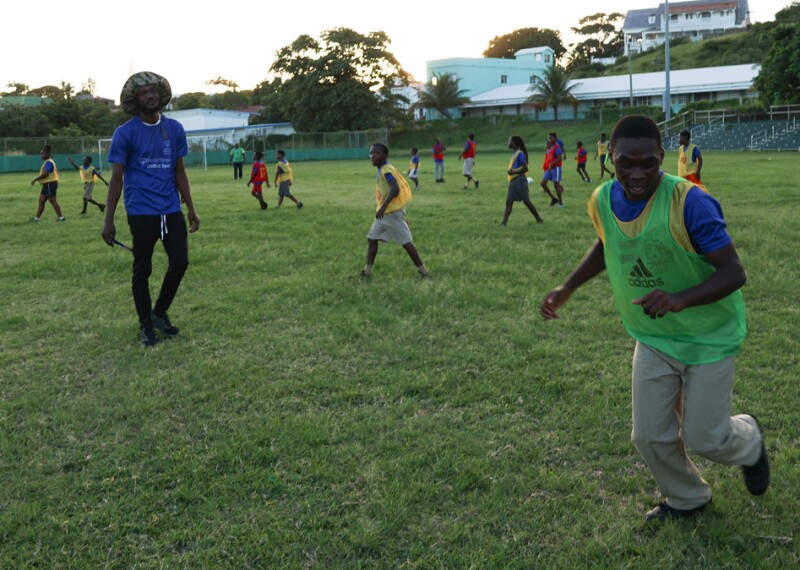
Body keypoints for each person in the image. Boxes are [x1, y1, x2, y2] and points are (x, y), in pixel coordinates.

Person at [540, 115, 769, 521]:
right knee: (648, 435)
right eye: (626, 162)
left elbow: (735, 272)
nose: (637, 173)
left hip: (707, 337)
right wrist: (568, 287)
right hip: (654, 336)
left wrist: (680, 298)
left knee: (706, 438)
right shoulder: (602, 198)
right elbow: (606, 244)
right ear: (611, 157)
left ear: (662, 156)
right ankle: (687, 498)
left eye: (648, 163)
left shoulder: (689, 201)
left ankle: (748, 440)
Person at [102, 71, 200, 347]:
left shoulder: (175, 129)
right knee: (142, 270)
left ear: (160, 95)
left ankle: (159, 313)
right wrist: (108, 221)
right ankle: (145, 325)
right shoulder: (125, 133)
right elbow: (117, 179)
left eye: (153, 91)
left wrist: (191, 208)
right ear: (136, 99)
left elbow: (180, 172)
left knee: (180, 261)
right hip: (141, 212)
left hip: (170, 209)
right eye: (143, 92)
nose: (150, 95)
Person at [361, 143, 431, 279]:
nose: (372, 156)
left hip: (389, 213)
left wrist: (383, 207)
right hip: (386, 214)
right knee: (372, 238)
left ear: (385, 155)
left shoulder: (386, 169)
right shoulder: (385, 168)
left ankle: (424, 272)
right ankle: (367, 272)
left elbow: (395, 189)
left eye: (376, 153)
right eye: (371, 153)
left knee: (406, 242)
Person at [501, 135, 543, 226]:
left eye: (509, 141)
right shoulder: (514, 153)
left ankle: (539, 219)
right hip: (513, 181)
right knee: (509, 201)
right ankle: (503, 223)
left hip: (520, 180)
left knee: (526, 201)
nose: (508, 143)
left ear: (514, 143)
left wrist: (513, 171)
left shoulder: (520, 154)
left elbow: (525, 168)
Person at [30, 144, 65, 222]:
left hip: (50, 183)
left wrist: (35, 179)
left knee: (53, 201)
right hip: (47, 184)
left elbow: (46, 173)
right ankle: (36, 219)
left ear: (47, 154)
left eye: (42, 153)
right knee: (41, 200)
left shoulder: (49, 162)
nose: (41, 155)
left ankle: (61, 218)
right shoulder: (48, 162)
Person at [541, 132, 565, 207]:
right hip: (549, 169)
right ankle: (553, 198)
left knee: (556, 185)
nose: (549, 139)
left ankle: (560, 203)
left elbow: (559, 158)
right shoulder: (551, 147)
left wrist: (552, 163)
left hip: (556, 168)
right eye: (549, 138)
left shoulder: (557, 147)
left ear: (555, 138)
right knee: (543, 183)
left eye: (551, 138)